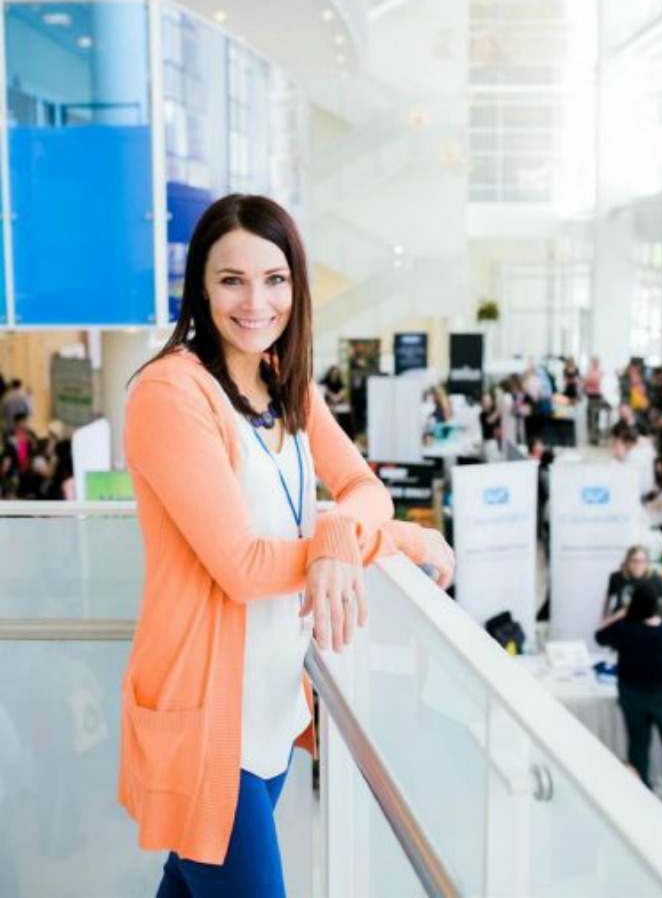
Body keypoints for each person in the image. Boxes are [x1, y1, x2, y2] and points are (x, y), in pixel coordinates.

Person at [118, 194, 455, 897]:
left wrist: (338, 531)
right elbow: (241, 566)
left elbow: (363, 484)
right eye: (231, 279)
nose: (256, 302)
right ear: (200, 288)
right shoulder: (170, 393)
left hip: (272, 702)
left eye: (274, 279)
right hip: (206, 721)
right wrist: (394, 538)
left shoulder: (282, 379)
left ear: (296, 286)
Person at [595, 581, 662, 807]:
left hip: (633, 697)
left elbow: (599, 635)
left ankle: (640, 795)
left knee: (638, 745)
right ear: (657, 604)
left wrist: (619, 615)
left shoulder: (625, 629)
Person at [603, 546, 662, 617]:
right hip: (621, 620)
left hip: (645, 622)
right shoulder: (616, 577)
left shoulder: (655, 579)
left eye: (642, 561)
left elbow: (660, 605)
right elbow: (608, 603)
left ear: (647, 563)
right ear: (627, 562)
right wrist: (607, 618)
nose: (638, 565)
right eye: (634, 561)